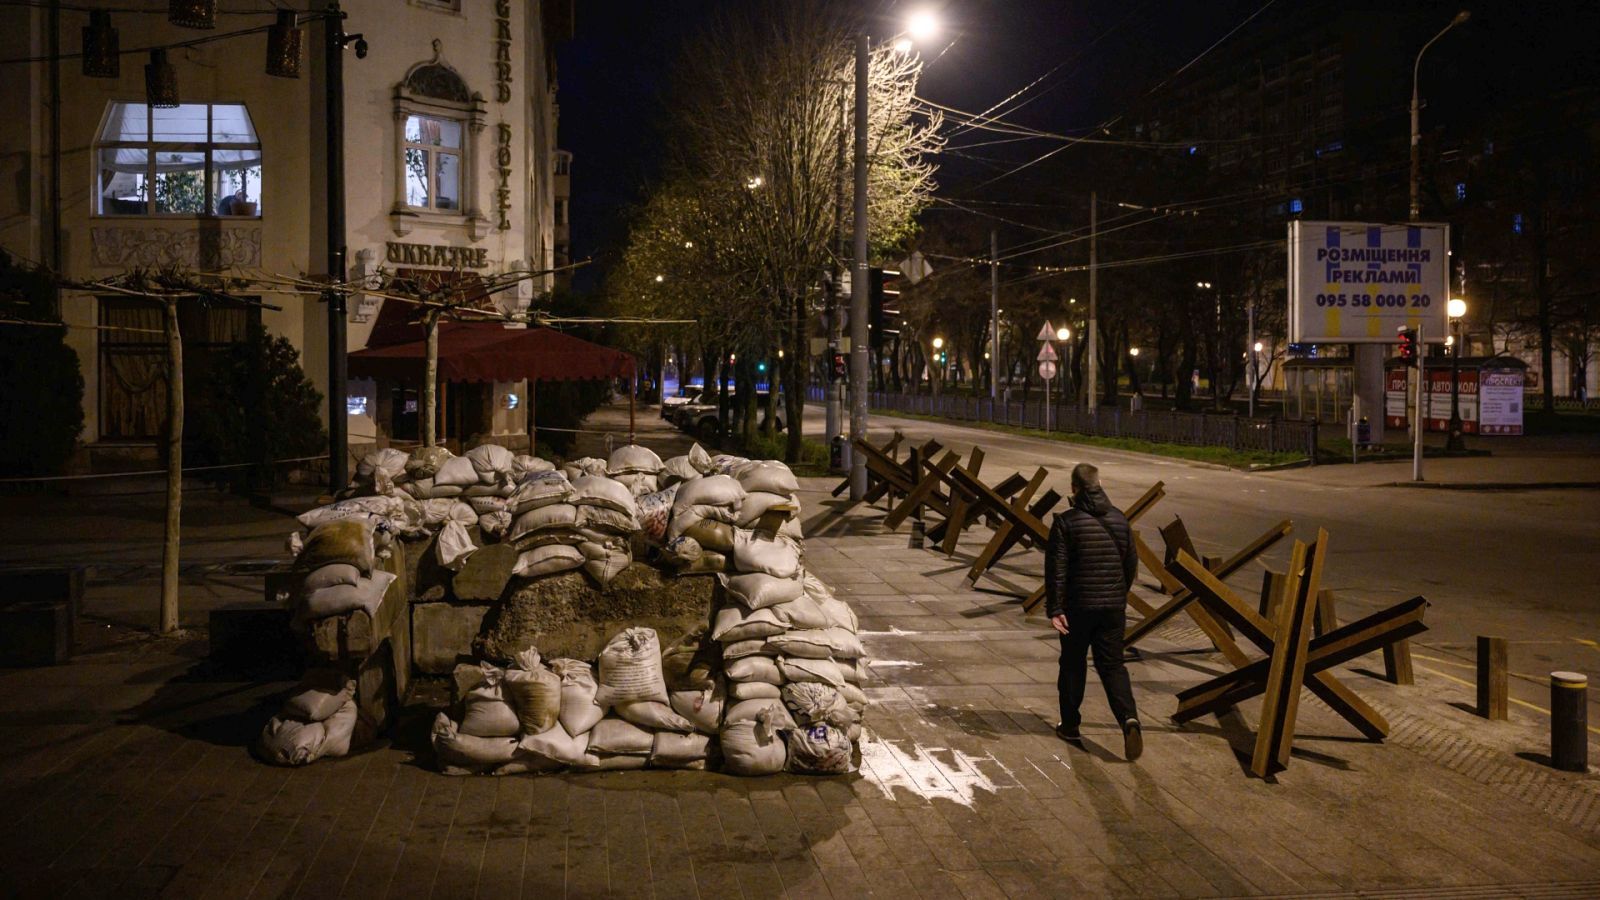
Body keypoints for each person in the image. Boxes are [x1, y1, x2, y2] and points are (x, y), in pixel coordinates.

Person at [1044, 462, 1142, 760]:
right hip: (1113, 608)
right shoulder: (1120, 519)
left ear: (1074, 488)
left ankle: (1070, 725)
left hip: (1078, 607)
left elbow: (1057, 569)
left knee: (1073, 664)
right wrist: (1117, 595)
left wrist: (1055, 607)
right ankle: (1129, 718)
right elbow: (1130, 564)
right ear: (1099, 485)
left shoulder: (1066, 522)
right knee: (1112, 665)